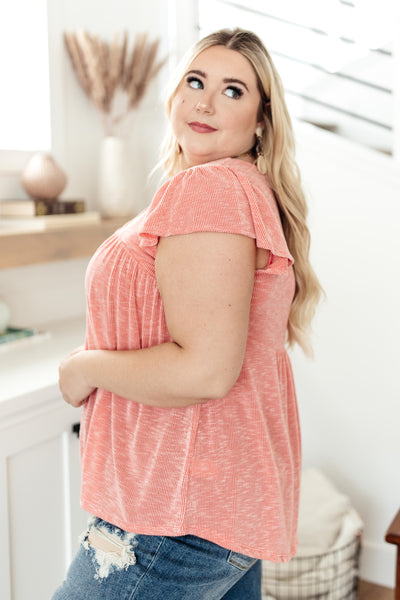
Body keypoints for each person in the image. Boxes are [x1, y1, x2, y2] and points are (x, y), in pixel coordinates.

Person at [52, 27, 322, 600]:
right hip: (218, 500)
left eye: (233, 90)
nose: (204, 100)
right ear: (174, 96)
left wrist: (87, 368)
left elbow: (205, 371)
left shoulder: (211, 190)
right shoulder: (232, 187)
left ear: (261, 121)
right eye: (195, 81)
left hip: (175, 512)